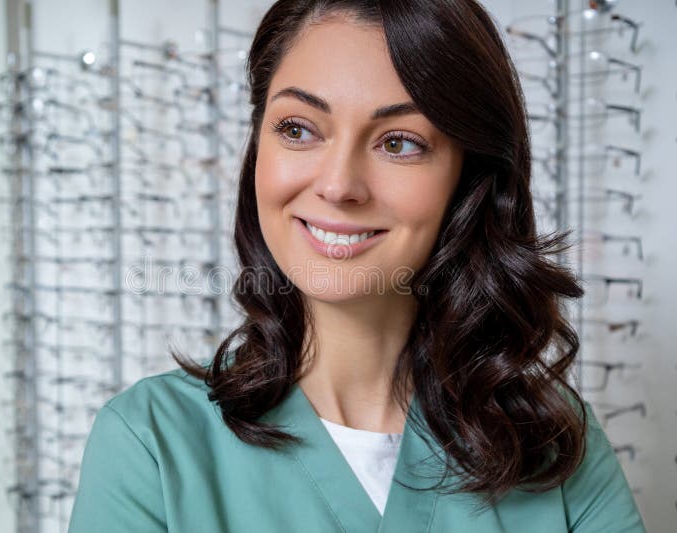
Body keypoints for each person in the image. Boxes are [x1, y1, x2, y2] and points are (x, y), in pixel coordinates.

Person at [68, 0, 647, 531]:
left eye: (399, 142)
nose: (339, 185)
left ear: (469, 179)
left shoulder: (551, 441)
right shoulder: (149, 444)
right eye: (298, 129)